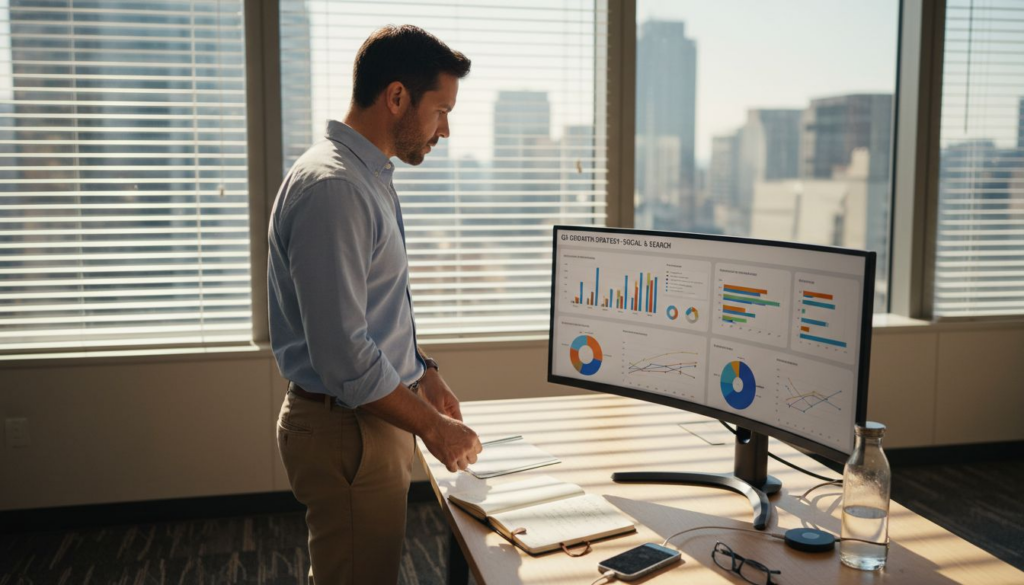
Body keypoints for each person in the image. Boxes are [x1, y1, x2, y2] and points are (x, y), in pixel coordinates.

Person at [267, 25, 483, 584]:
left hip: (365, 418)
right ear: (396, 97)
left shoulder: (366, 176)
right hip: (349, 428)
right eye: (440, 111)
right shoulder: (335, 188)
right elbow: (343, 354)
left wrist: (422, 370)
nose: (447, 130)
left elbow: (368, 313)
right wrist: (435, 428)